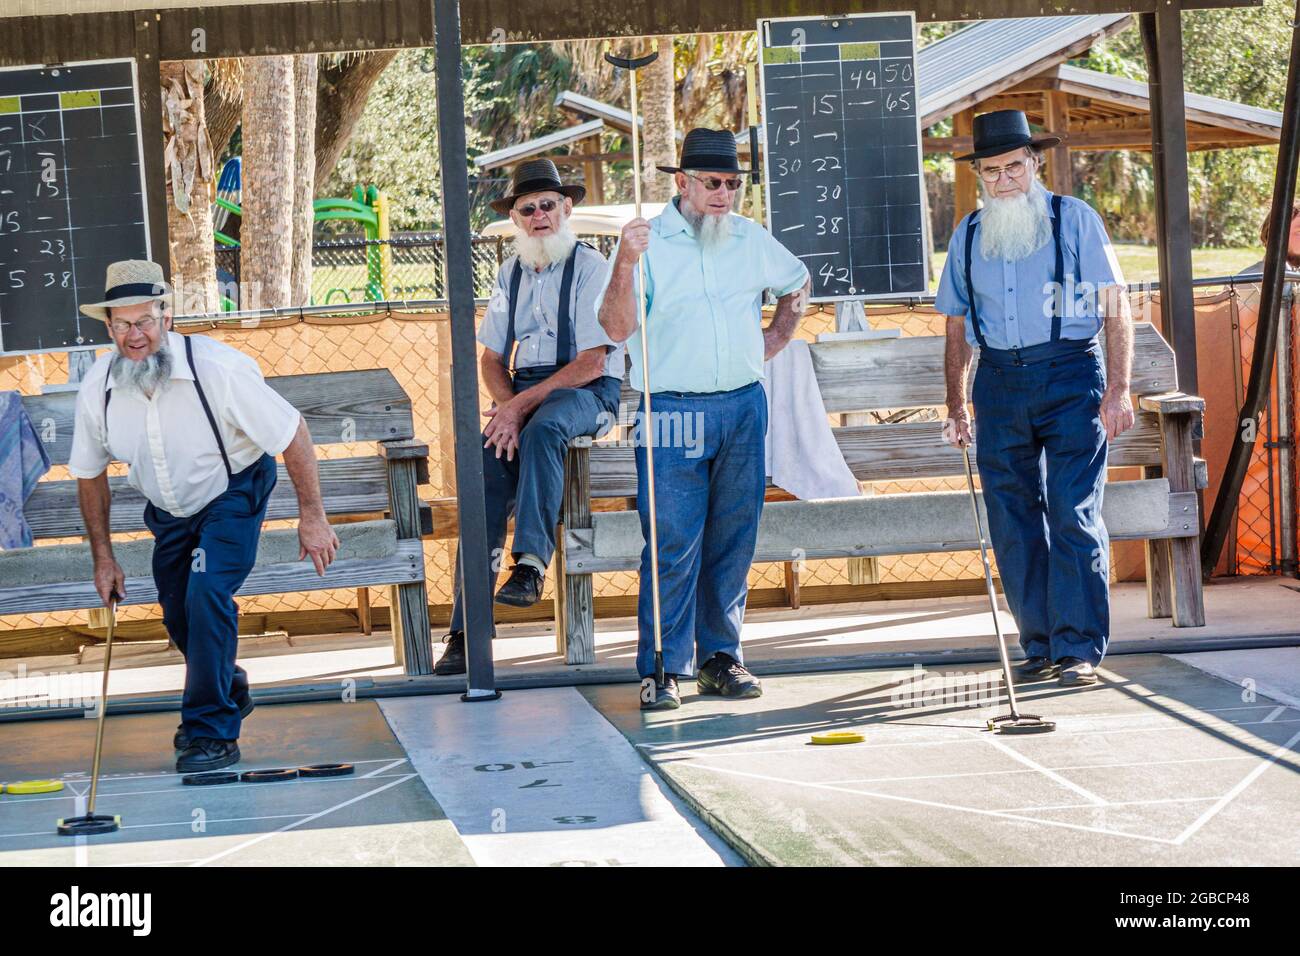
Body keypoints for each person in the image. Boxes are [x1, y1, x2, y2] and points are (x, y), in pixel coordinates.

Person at [69, 260, 339, 772]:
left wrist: (313, 516)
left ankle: (209, 731)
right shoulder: (98, 389)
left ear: (165, 318)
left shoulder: (217, 369)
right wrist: (103, 558)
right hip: (169, 509)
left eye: (144, 321)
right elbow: (89, 473)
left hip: (233, 490)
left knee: (207, 590)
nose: (135, 335)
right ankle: (227, 687)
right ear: (108, 328)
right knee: (178, 612)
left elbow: (291, 431)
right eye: (122, 324)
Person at [597, 128, 811, 710]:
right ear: (682, 182)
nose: (723, 194)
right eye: (712, 183)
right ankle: (662, 666)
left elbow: (798, 284)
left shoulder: (749, 237)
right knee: (670, 540)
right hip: (669, 409)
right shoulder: (647, 242)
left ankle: (721, 657)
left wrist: (772, 340)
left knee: (734, 537)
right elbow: (615, 328)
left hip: (743, 404)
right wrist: (624, 259)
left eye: (733, 185)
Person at [936, 110, 1135, 688]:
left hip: (1072, 377)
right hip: (998, 384)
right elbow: (955, 327)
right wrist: (955, 404)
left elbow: (1115, 307)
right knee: (1012, 516)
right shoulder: (969, 234)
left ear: (1034, 164)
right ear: (979, 176)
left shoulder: (1074, 220)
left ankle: (1078, 647)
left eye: (1014, 167)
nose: (1005, 181)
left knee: (1073, 513)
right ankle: (1040, 642)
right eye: (992, 171)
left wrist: (1119, 391)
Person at [435, 159, 624, 675]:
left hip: (587, 388)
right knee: (485, 472)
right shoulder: (508, 273)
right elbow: (492, 358)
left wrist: (517, 407)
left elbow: (593, 360)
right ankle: (465, 632)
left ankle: (531, 566)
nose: (539, 215)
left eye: (548, 205)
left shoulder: (592, 268)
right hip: (523, 392)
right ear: (516, 218)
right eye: (528, 208)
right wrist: (506, 409)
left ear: (566, 209)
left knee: (545, 429)